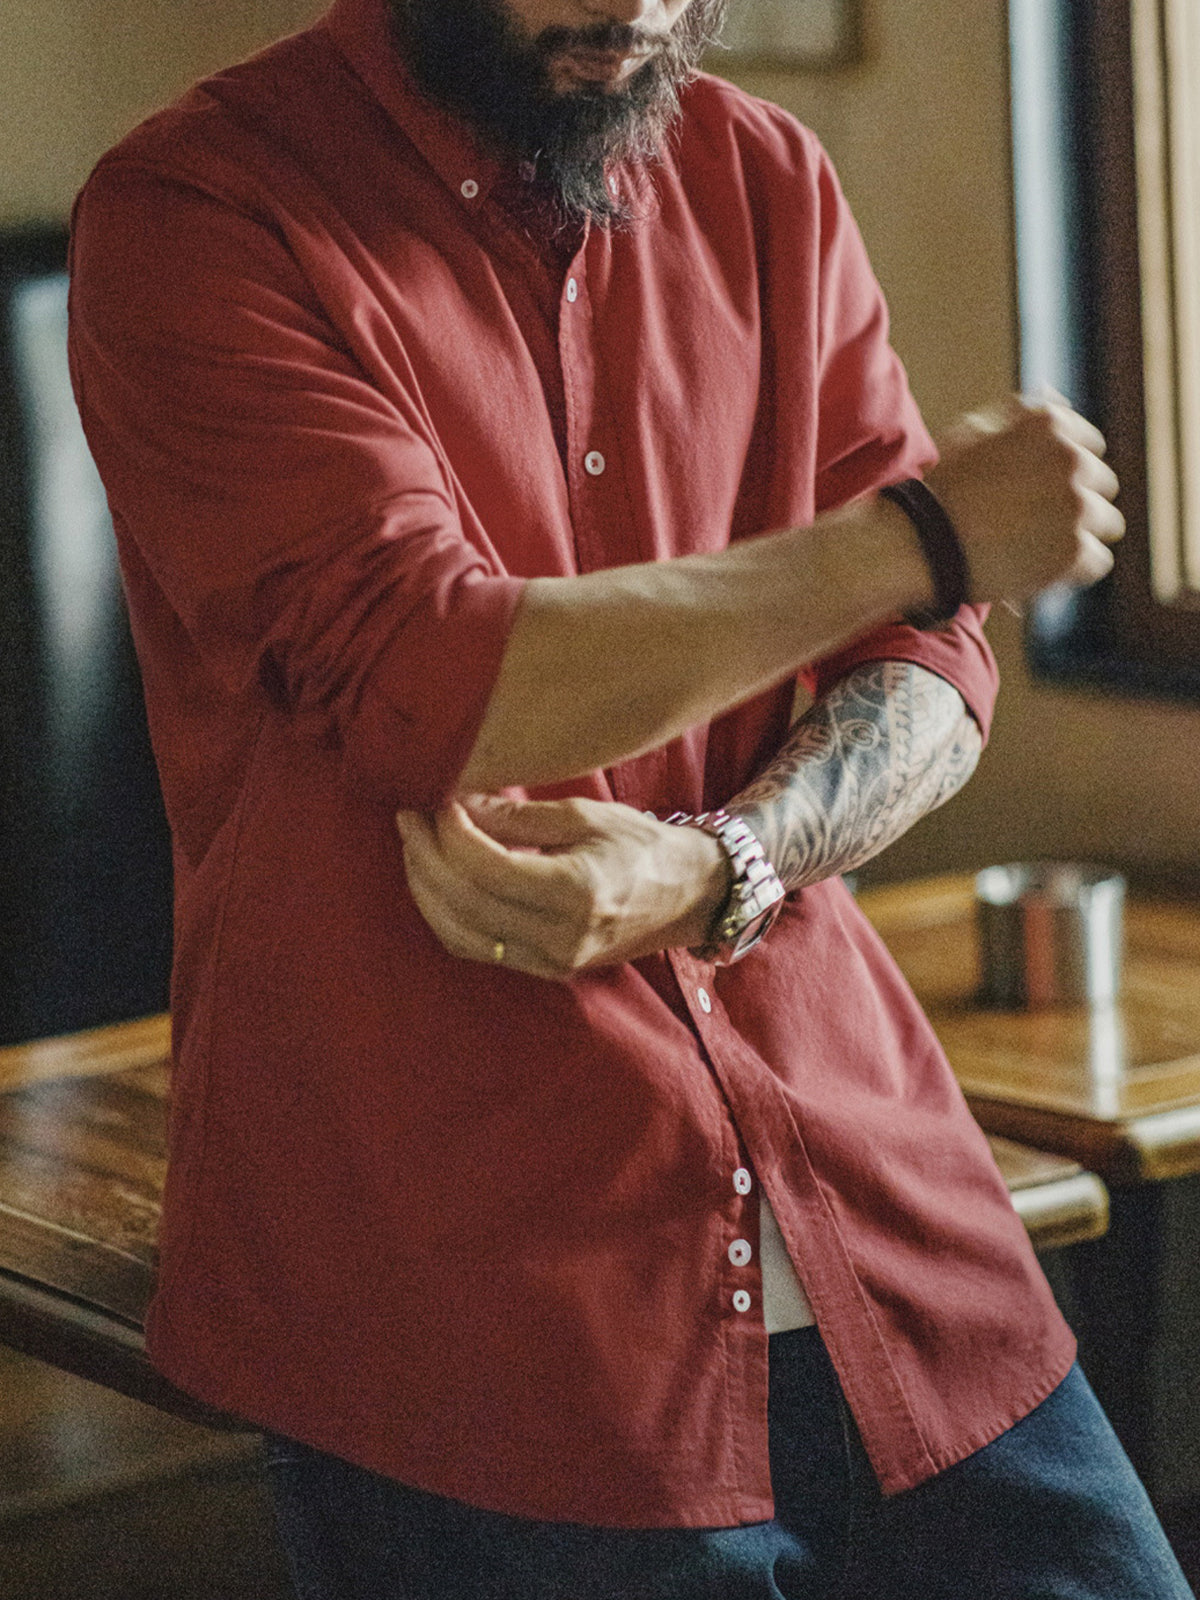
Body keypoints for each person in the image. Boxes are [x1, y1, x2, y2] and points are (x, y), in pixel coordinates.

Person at [67, 1, 1191, 1595]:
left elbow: (928, 665)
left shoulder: (768, 178)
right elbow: (436, 683)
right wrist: (925, 538)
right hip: (473, 1307)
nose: (641, 8)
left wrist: (725, 863)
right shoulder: (197, 208)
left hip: (888, 1225)